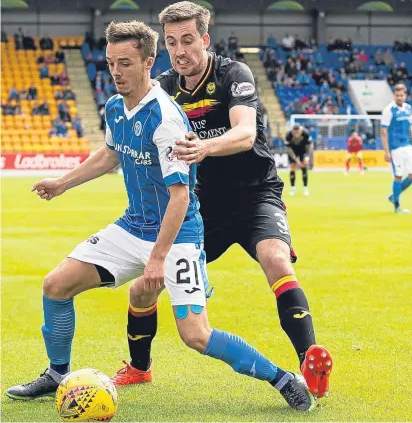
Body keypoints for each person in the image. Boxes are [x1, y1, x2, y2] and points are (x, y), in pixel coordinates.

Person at [5, 20, 314, 412]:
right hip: (132, 225)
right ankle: (56, 374)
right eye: (111, 62)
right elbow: (110, 153)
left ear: (148, 62)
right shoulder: (116, 106)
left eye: (126, 63)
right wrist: (63, 183)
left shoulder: (166, 119)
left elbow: (181, 198)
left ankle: (282, 377)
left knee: (196, 335)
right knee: (56, 285)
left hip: (178, 233)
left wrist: (157, 258)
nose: (116, 72)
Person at [113, 1, 333, 400]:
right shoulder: (162, 87)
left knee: (276, 260)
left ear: (205, 39)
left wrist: (205, 147)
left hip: (255, 197)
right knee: (144, 288)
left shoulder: (234, 74)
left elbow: (246, 134)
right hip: (199, 208)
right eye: (171, 42)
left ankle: (309, 360)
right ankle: (139, 368)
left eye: (188, 40)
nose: (179, 50)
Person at [381, 83, 412, 214]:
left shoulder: (409, 108)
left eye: (402, 95)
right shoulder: (388, 110)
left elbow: (410, 128)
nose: (399, 97)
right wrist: (386, 151)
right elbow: (383, 131)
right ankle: (397, 207)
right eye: (397, 95)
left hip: (408, 145)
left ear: (405, 96)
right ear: (394, 95)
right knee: (398, 176)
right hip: (395, 148)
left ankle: (394, 196)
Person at [284, 125, 312, 196]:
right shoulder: (288, 135)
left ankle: (305, 188)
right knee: (292, 167)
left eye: (298, 132)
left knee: (304, 167)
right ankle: (293, 188)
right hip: (293, 151)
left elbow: (310, 145)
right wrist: (297, 161)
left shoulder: (305, 134)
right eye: (294, 132)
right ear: (292, 131)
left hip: (303, 151)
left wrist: (307, 156)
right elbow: (289, 150)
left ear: (300, 131)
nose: (296, 134)